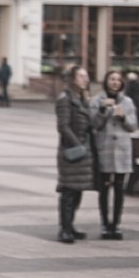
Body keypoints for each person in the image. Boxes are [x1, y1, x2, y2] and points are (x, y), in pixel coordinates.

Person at [89, 70, 137, 240]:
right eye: (112, 79)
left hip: (122, 150)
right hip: (105, 149)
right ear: (106, 81)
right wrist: (102, 109)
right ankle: (104, 224)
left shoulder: (128, 101)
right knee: (103, 189)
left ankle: (116, 224)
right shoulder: (97, 100)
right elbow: (94, 124)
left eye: (118, 79)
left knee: (119, 188)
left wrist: (123, 117)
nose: (115, 82)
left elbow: (133, 126)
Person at [54, 65, 95, 244]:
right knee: (69, 191)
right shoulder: (65, 98)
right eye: (81, 76)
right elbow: (63, 126)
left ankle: (70, 225)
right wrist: (78, 146)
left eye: (86, 76)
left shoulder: (83, 98)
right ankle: (64, 229)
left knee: (78, 191)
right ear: (72, 79)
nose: (85, 79)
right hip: (70, 152)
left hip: (83, 152)